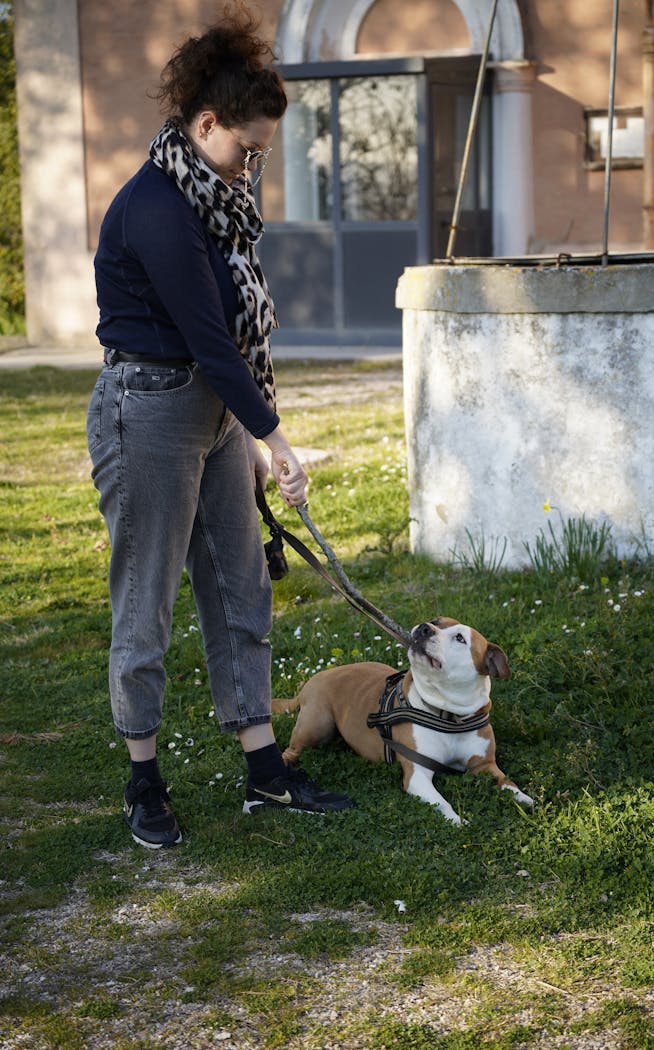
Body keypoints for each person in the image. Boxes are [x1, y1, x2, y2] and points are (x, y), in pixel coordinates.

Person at [87, 5, 354, 849]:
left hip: (212, 415)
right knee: (148, 604)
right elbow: (208, 334)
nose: (252, 166)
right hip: (150, 413)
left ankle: (264, 772)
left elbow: (231, 341)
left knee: (243, 590)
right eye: (246, 148)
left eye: (262, 154)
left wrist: (250, 434)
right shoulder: (158, 209)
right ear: (206, 123)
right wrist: (276, 439)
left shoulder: (216, 199)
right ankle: (143, 779)